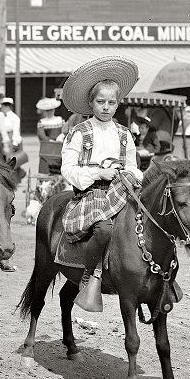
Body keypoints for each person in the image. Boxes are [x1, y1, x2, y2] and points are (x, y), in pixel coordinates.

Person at [60, 57, 143, 313]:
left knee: (146, 225)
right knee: (105, 230)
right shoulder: (80, 132)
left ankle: (152, 277)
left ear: (118, 103)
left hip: (120, 192)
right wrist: (98, 173)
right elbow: (68, 169)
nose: (106, 108)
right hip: (91, 195)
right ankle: (89, 275)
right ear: (90, 103)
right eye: (100, 102)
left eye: (111, 103)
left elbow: (132, 165)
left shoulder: (124, 134)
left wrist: (129, 175)